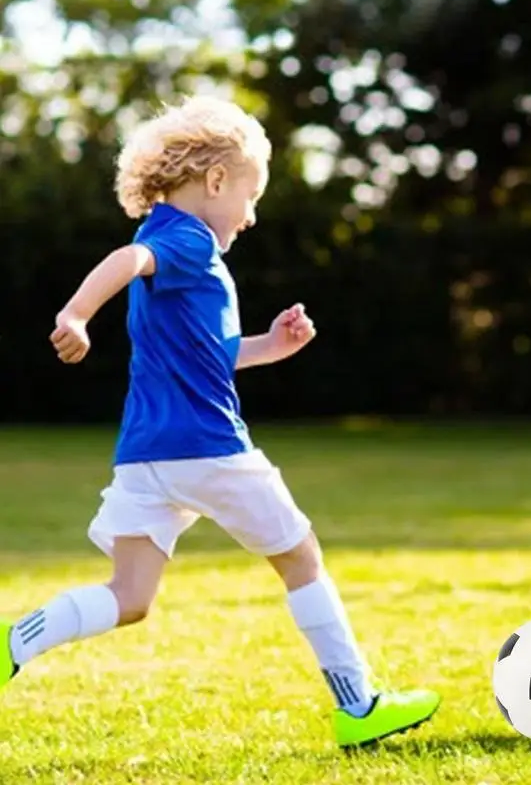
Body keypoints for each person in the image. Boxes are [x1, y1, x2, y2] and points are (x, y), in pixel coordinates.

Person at [0, 95, 440, 748]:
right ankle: (359, 706)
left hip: (145, 456)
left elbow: (210, 356)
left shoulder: (171, 241)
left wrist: (270, 345)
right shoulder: (185, 238)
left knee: (130, 597)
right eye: (251, 195)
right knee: (301, 557)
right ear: (214, 180)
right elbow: (126, 262)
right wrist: (75, 314)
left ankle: (14, 641)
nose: (253, 215)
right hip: (208, 448)